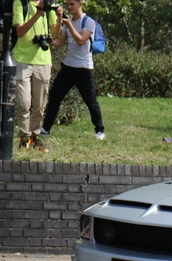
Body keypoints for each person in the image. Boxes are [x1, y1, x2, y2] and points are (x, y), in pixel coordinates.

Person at [40, 0, 105, 140]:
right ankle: (45, 128)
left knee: (91, 101)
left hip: (83, 68)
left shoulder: (88, 22)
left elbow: (81, 40)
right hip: (68, 67)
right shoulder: (67, 22)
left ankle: (100, 130)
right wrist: (47, 40)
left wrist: (69, 24)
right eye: (67, 4)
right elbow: (59, 43)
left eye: (72, 4)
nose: (69, 7)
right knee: (55, 97)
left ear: (80, 3)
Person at [13, 0, 62, 152]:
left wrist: (59, 18)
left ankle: (34, 136)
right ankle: (24, 136)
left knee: (40, 105)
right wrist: (38, 13)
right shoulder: (20, 3)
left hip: (43, 61)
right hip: (22, 60)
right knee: (24, 102)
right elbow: (20, 32)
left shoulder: (49, 6)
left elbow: (54, 36)